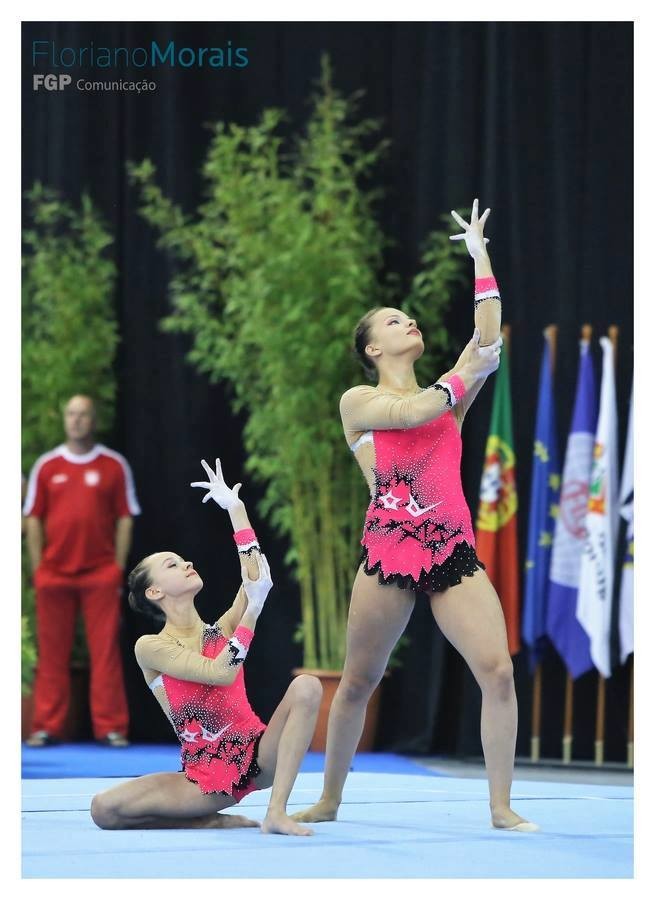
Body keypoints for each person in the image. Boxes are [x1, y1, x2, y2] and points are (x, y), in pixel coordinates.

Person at [293, 200, 538, 832]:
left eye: (409, 317)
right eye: (394, 320)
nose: (410, 321)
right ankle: (329, 798)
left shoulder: (445, 398)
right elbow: (409, 414)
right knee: (356, 682)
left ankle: (501, 806)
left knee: (498, 672)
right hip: (389, 551)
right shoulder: (359, 401)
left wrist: (480, 257)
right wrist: (467, 372)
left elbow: (487, 339)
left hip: (450, 550)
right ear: (373, 347)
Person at [90, 459, 322, 836]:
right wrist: (252, 611)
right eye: (172, 565)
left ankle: (276, 812)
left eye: (183, 560)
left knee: (308, 686)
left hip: (258, 756)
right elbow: (220, 672)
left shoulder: (220, 631)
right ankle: (203, 819)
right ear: (155, 592)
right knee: (103, 809)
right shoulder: (150, 647)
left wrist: (236, 509)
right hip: (205, 781)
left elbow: (254, 579)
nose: (187, 564)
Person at [23, 394, 139, 747]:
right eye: (71, 414)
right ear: (64, 419)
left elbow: (125, 517)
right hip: (54, 574)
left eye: (83, 414)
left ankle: (111, 727)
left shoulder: (114, 465)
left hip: (99, 573)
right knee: (51, 652)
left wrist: (116, 568)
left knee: (105, 652)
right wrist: (38, 569)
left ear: (93, 420)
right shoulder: (47, 466)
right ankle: (46, 726)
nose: (76, 420)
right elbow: (32, 518)